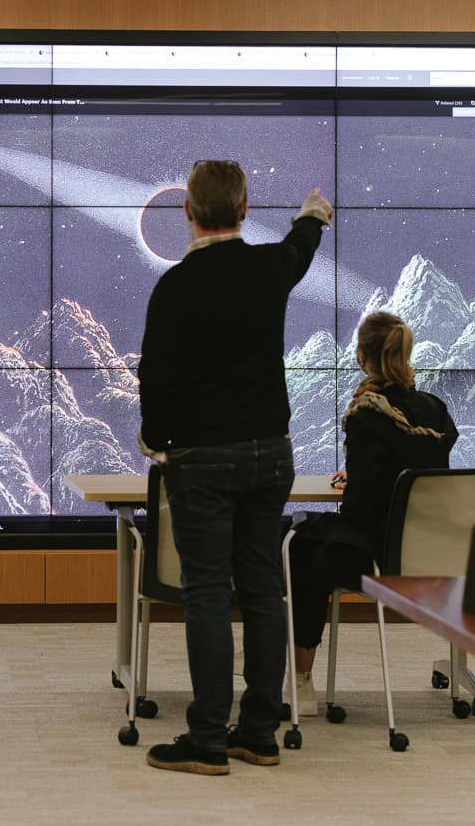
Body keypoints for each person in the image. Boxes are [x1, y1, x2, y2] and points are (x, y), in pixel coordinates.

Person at [136, 159, 332, 775]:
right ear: (245, 211)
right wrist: (310, 216)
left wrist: (157, 440)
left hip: (202, 461)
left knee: (207, 596)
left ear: (188, 214)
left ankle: (207, 738)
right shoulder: (268, 267)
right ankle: (259, 733)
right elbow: (300, 247)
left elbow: (157, 379)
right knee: (265, 592)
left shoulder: (175, 288)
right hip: (271, 456)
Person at [286, 311, 458, 716]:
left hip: (376, 558)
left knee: (298, 544)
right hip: (430, 552)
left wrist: (359, 480)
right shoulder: (435, 411)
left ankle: (298, 677)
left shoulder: (366, 413)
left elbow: (361, 510)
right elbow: (417, 472)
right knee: (312, 540)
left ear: (364, 357)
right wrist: (365, 473)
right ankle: (291, 669)